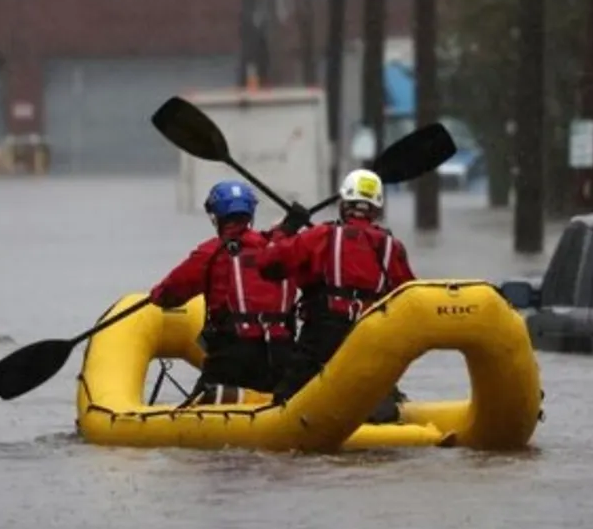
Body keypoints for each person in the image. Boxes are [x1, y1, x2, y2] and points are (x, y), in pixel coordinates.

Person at [257, 168, 416, 423]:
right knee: (378, 392)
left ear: (344, 205)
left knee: (286, 401)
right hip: (373, 335)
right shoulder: (392, 247)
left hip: (324, 334)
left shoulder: (322, 235)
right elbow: (411, 298)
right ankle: (386, 411)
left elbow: (268, 265)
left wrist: (286, 229)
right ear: (375, 209)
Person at [149, 180, 302, 405]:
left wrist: (155, 295)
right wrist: (289, 228)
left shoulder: (210, 253)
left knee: (196, 406)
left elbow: (166, 296)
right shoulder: (282, 247)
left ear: (215, 217)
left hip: (233, 356)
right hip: (282, 355)